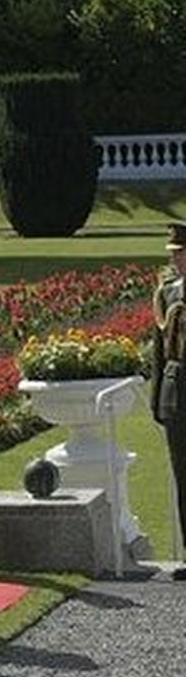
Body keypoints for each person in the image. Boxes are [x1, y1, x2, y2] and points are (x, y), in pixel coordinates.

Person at [148, 221, 186, 581]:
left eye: (181, 254)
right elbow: (159, 352)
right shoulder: (168, 293)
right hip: (178, 393)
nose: (177, 261)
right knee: (183, 476)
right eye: (175, 255)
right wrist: (157, 397)